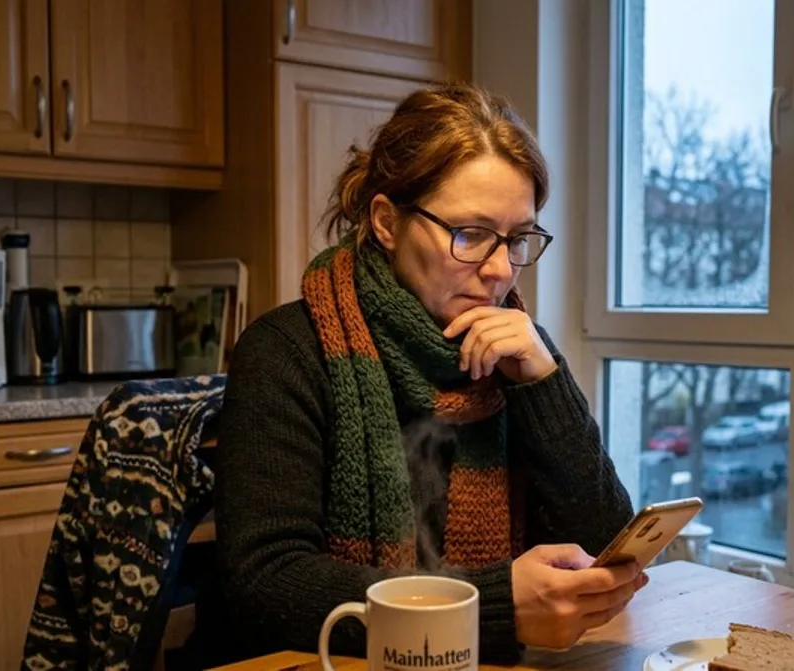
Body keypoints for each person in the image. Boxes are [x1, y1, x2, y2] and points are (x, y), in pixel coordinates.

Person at [208, 82, 641, 666]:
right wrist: (493, 607)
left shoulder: (517, 353)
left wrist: (545, 383)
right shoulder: (287, 352)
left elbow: (604, 550)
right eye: (471, 234)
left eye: (517, 239)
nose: (499, 270)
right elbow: (266, 584)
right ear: (388, 222)